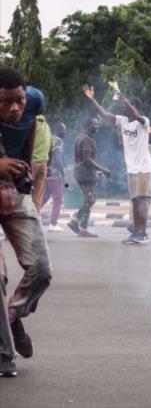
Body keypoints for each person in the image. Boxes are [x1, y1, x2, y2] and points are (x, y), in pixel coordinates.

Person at [0, 67, 52, 377]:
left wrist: (27, 169)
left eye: (18, 100)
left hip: (15, 194)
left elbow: (31, 123)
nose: (14, 108)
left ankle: (13, 316)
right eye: (6, 102)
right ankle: (4, 354)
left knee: (42, 270)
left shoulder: (34, 101)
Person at [82, 85, 151, 244]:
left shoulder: (144, 122)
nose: (125, 108)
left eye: (129, 105)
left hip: (143, 169)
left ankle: (143, 233)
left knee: (141, 201)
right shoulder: (123, 121)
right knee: (135, 201)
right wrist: (92, 99)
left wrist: (124, 99)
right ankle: (136, 232)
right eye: (124, 105)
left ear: (136, 107)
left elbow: (136, 115)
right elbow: (104, 114)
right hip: (132, 169)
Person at [68, 117, 111, 237]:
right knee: (89, 200)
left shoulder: (81, 137)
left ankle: (75, 220)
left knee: (91, 199)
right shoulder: (87, 139)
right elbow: (87, 159)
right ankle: (82, 228)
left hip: (81, 172)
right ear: (87, 126)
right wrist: (103, 170)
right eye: (94, 124)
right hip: (85, 173)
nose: (97, 127)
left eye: (98, 124)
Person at [42, 122, 67, 232]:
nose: (65, 132)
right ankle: (53, 223)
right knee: (58, 198)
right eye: (63, 129)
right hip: (55, 174)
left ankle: (31, 216)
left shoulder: (49, 138)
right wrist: (63, 173)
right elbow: (57, 158)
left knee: (44, 197)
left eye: (65, 129)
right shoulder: (58, 140)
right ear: (56, 129)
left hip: (46, 173)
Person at [30, 115, 51, 212]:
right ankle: (35, 219)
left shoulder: (30, 123)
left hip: (31, 163)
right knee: (37, 196)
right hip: (44, 164)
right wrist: (48, 165)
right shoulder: (47, 126)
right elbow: (52, 148)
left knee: (21, 193)